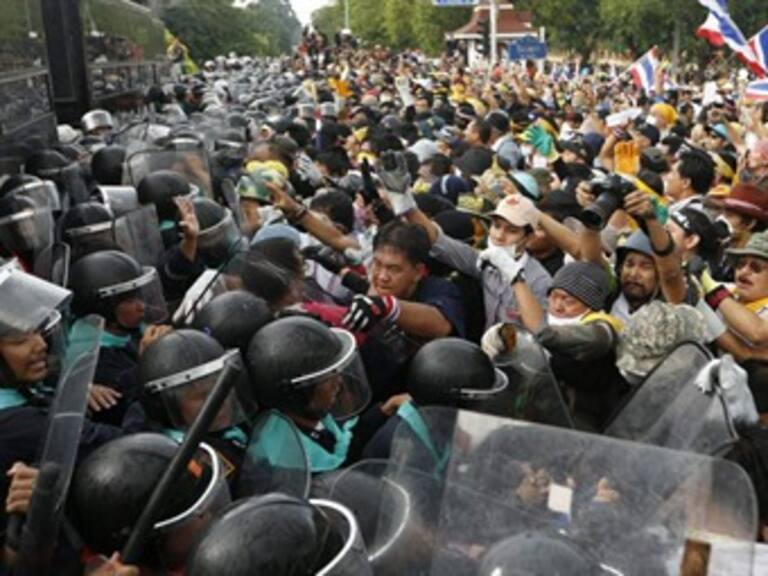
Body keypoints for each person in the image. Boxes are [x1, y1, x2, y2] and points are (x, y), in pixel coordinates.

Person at [0, 265, 123, 544]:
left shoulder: (20, 391)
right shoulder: (15, 425)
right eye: (20, 340)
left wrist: (72, 390)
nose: (40, 344)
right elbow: (113, 446)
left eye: (36, 331)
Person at [482, 261, 625, 429]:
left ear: (591, 305)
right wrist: (501, 337)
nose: (558, 306)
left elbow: (549, 335)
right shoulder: (542, 315)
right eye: (554, 296)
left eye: (569, 301)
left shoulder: (602, 331)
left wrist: (516, 280)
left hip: (578, 423)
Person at [68, 250, 171, 426]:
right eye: (129, 301)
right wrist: (150, 360)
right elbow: (128, 400)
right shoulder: (91, 358)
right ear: (103, 309)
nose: (141, 306)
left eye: (139, 295)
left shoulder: (131, 329)